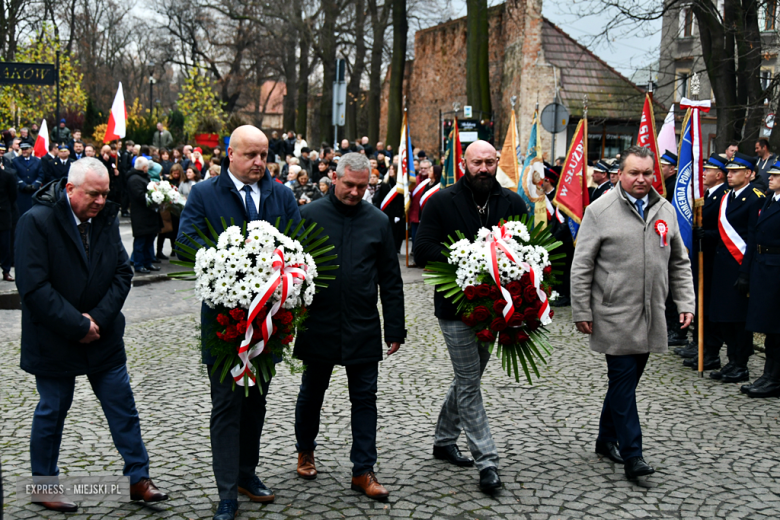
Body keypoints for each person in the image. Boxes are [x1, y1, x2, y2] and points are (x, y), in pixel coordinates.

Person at [14, 157, 168, 513]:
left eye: (104, 194)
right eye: (93, 194)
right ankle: (43, 484)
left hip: (104, 335)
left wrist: (95, 320)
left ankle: (138, 478)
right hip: (53, 338)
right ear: (70, 189)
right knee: (52, 411)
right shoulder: (35, 221)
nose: (100, 201)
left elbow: (121, 273)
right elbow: (34, 287)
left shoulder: (105, 218)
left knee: (122, 408)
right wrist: (77, 325)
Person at [176, 125, 300, 520]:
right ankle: (227, 491)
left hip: (269, 321)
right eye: (251, 155)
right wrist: (229, 266)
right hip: (224, 322)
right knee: (227, 403)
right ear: (231, 154)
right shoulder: (204, 193)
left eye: (264, 155)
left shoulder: (280, 194)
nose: (260, 163)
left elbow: (297, 243)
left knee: (257, 400)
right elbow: (187, 242)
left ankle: (247, 472)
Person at [570, 145, 694, 480]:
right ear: (620, 174)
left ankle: (605, 438)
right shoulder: (600, 211)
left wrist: (685, 303)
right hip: (614, 313)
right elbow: (581, 266)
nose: (641, 179)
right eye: (633, 173)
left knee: (626, 382)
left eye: (647, 173)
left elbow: (679, 263)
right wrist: (582, 308)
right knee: (623, 381)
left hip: (652, 312)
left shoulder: (665, 210)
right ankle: (633, 455)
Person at [413, 140, 528, 493]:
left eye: (489, 163)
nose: (483, 169)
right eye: (476, 162)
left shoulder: (513, 202)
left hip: (496, 308)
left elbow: (527, 250)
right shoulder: (441, 200)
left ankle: (443, 440)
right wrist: (471, 259)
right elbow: (422, 250)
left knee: (470, 376)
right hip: (455, 307)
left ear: (496, 163)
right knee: (468, 380)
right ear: (464, 163)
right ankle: (487, 461)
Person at [293, 153, 404, 500]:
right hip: (318, 322)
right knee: (312, 392)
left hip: (362, 324)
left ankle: (363, 470)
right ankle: (305, 450)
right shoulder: (308, 216)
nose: (355, 192)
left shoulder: (379, 221)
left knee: (364, 399)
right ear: (334, 179)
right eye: (349, 185)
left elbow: (391, 278)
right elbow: (290, 272)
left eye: (362, 186)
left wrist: (395, 328)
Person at [708, 152, 765, 383]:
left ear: (749, 174)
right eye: (729, 171)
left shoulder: (755, 197)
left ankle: (740, 364)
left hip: (740, 265)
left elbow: (753, 237)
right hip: (722, 265)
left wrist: (745, 272)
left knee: (738, 319)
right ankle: (731, 360)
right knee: (723, 317)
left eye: (735, 171)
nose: (729, 175)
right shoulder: (727, 197)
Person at [679, 154, 728, 370]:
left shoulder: (723, 196)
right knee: (701, 304)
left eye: (706, 170)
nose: (703, 174)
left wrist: (705, 234)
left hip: (712, 259)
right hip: (700, 258)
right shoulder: (707, 195)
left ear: (718, 175)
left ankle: (711, 351)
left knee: (709, 308)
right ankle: (702, 347)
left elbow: (727, 230)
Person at [739, 160, 780, 397]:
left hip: (776, 269)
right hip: (763, 268)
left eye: (775, 175)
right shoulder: (769, 199)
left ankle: (774, 377)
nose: (770, 178)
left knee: (776, 328)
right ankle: (769, 374)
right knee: (768, 327)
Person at [126, 157, 161, 275]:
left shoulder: (142, 177)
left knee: (148, 240)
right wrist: (154, 196)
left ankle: (147, 262)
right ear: (144, 167)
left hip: (148, 215)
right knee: (141, 241)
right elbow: (139, 196)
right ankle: (139, 264)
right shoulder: (134, 179)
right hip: (141, 215)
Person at [372, 165, 405, 253]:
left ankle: (394, 248)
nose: (391, 171)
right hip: (385, 211)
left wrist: (398, 214)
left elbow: (400, 201)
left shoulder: (399, 184)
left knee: (394, 231)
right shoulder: (385, 183)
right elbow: (380, 198)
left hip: (395, 213)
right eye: (390, 169)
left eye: (393, 169)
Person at [13, 142, 45, 215]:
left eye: (26, 149)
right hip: (21, 192)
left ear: (31, 149)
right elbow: (15, 175)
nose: (24, 151)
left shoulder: (37, 161)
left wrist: (35, 185)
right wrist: (23, 185)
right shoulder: (15, 161)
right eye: (22, 149)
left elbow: (41, 175)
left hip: (34, 192)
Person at [0, 149, 16, 281]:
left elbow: (12, 196)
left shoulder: (7, 176)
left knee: (5, 244)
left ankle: (6, 271)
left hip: (3, 214)